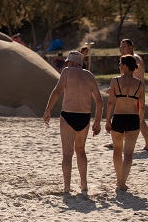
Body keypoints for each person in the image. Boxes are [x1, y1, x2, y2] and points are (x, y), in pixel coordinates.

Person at [43, 50, 103, 193]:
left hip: (68, 115)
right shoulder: (90, 76)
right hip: (84, 116)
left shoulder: (67, 71)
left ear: (70, 62)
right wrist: (98, 122)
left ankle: (67, 187)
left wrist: (48, 109)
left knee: (67, 154)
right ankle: (84, 185)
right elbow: (99, 101)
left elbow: (57, 91)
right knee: (81, 151)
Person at [104, 54, 145, 190]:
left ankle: (118, 180)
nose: (119, 66)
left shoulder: (115, 81)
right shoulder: (140, 84)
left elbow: (110, 102)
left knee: (117, 150)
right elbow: (142, 106)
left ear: (126, 66)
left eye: (120, 64)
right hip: (133, 118)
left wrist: (108, 119)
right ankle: (122, 182)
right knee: (128, 154)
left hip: (119, 117)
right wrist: (139, 120)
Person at [119, 39, 148, 151]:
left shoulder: (135, 60)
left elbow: (136, 80)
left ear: (130, 47)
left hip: (135, 95)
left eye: (124, 46)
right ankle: (118, 141)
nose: (121, 48)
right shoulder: (127, 60)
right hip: (130, 94)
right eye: (121, 46)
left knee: (139, 119)